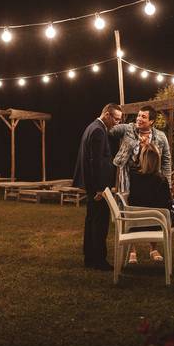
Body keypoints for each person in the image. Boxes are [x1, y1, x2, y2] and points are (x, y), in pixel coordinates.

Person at [110, 105, 172, 263]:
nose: (139, 119)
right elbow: (110, 130)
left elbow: (166, 161)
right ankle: (132, 249)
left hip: (151, 180)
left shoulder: (160, 137)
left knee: (153, 209)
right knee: (130, 211)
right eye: (138, 116)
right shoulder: (128, 129)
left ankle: (154, 248)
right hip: (129, 177)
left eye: (143, 117)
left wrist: (167, 183)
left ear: (151, 121)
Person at [129, 144, 174, 271]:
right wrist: (171, 202)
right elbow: (167, 206)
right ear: (157, 160)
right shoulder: (161, 180)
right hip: (159, 223)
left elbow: (132, 200)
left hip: (137, 223)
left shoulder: (134, 177)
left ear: (141, 159)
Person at [73, 103, 122, 270]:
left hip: (93, 184)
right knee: (100, 222)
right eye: (116, 119)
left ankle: (90, 257)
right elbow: (96, 162)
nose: (117, 122)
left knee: (91, 220)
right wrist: (101, 188)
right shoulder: (98, 131)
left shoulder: (92, 127)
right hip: (98, 187)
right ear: (107, 115)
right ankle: (99, 260)